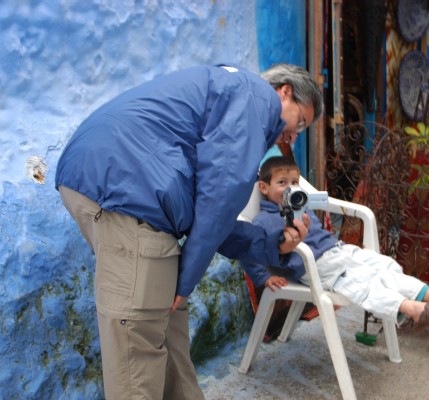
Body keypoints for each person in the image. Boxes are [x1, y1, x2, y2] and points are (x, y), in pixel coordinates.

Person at [55, 63, 323, 400]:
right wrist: (185, 283)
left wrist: (274, 244)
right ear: (284, 91)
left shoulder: (229, 92)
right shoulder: (255, 100)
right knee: (137, 357)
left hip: (119, 184)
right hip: (127, 193)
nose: (293, 137)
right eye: (300, 122)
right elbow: (219, 201)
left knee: (169, 342)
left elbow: (211, 216)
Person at [242, 156, 429, 332]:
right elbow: (248, 248)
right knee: (363, 283)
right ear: (264, 187)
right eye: (282, 183)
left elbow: (324, 201)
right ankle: (413, 309)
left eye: (294, 183)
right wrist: (263, 276)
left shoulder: (300, 203)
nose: (290, 189)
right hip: (317, 266)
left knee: (383, 265)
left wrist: (308, 203)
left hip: (338, 250)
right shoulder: (267, 219)